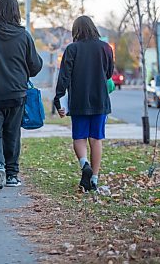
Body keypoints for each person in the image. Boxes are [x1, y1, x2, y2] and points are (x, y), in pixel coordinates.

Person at [0, 0, 43, 190]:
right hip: (16, 93)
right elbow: (36, 66)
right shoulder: (24, 36)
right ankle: (12, 174)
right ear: (16, 12)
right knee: (12, 133)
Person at [53, 15, 114, 192]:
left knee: (79, 138)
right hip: (100, 100)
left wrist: (58, 100)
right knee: (96, 139)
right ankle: (94, 178)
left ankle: (84, 164)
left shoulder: (72, 49)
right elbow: (109, 73)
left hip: (79, 101)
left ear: (76, 31)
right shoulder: (105, 48)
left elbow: (64, 76)